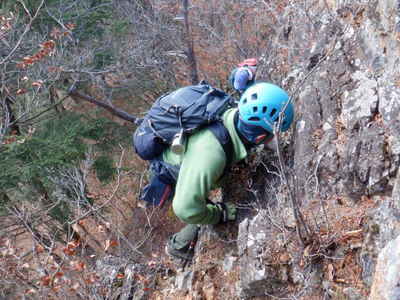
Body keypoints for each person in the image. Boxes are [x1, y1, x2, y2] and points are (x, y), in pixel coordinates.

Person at [164, 82, 294, 261]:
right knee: (196, 210)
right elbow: (184, 208)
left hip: (195, 155)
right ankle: (177, 247)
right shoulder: (210, 155)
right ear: (260, 137)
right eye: (273, 134)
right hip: (171, 169)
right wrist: (218, 213)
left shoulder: (235, 112)